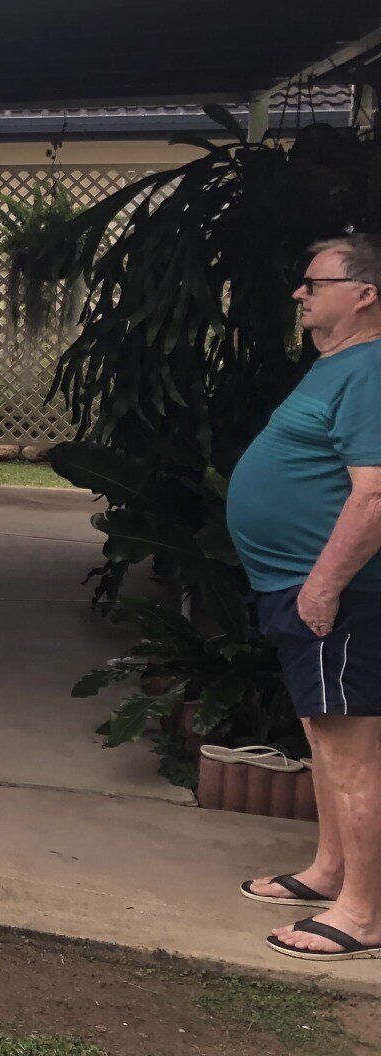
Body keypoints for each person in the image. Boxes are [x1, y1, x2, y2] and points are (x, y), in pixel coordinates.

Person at [232, 235, 381, 961]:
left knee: (352, 750)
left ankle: (363, 914)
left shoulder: (375, 368)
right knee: (324, 737)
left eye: (313, 281)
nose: (300, 293)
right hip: (298, 586)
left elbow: (376, 493)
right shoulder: (339, 365)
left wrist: (323, 585)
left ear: (365, 291)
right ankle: (329, 872)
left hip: (338, 594)